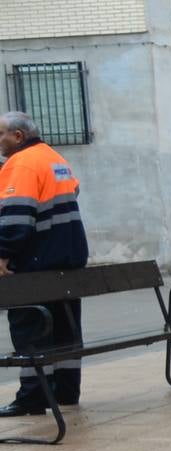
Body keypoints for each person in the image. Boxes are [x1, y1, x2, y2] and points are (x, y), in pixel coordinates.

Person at [0, 111, 88, 416]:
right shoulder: (54, 158)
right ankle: (65, 391)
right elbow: (73, 190)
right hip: (68, 256)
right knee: (64, 326)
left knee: (30, 327)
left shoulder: (21, 164)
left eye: (1, 134)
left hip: (38, 261)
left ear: (18, 137)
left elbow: (16, 217)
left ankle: (33, 398)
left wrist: (3, 253)